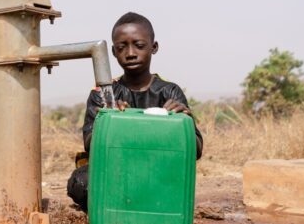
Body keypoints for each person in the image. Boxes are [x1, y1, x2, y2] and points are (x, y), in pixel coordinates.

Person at [66, 12, 203, 211]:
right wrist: (110, 120)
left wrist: (185, 123)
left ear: (153, 47)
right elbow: (90, 145)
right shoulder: (104, 94)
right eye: (122, 47)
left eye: (139, 45)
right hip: (117, 171)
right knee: (81, 183)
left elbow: (196, 150)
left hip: (156, 171)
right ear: (113, 52)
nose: (130, 53)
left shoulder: (169, 92)